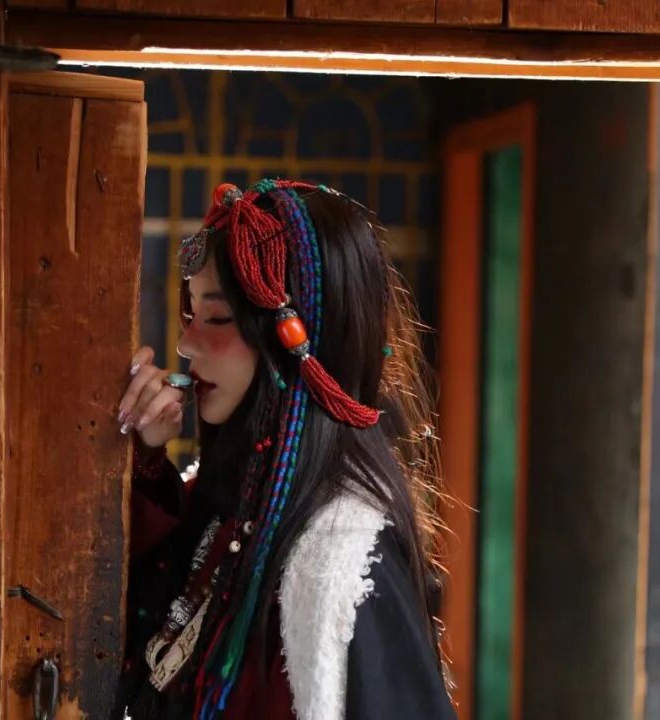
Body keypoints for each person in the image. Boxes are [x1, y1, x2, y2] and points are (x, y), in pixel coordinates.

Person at [113, 179, 456, 719]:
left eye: (217, 318)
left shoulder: (346, 561)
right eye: (190, 314)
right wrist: (146, 462)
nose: (185, 343)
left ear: (297, 343)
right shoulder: (236, 504)